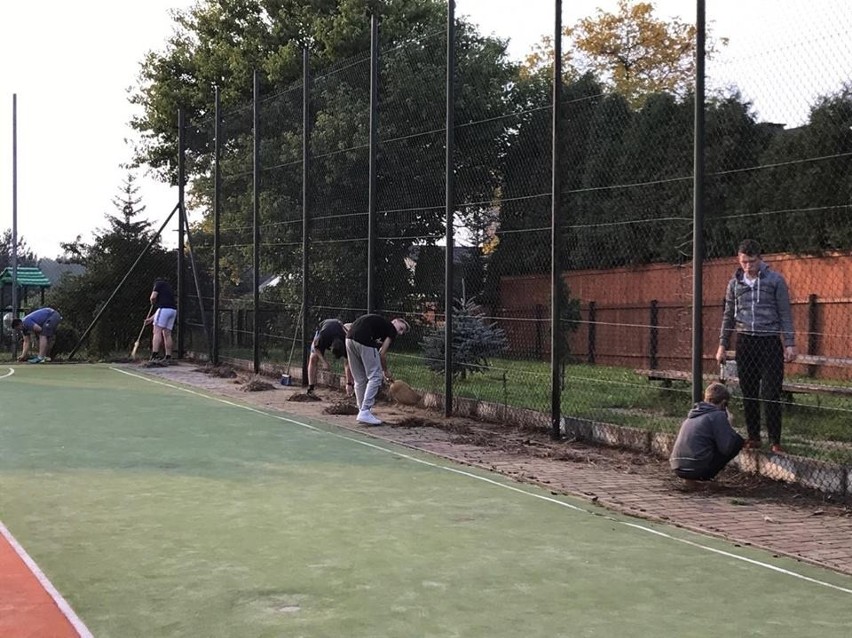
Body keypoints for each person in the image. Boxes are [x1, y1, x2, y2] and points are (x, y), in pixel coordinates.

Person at [716, 239, 796, 453]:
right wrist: (722, 344)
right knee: (748, 391)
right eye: (744, 262)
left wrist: (789, 343)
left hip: (770, 341)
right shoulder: (734, 283)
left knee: (771, 392)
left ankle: (775, 440)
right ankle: (753, 437)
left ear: (760, 259)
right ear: (738, 259)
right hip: (745, 341)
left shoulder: (776, 280)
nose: (748, 266)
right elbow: (728, 316)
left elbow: (785, 313)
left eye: (752, 262)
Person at [670, 382, 744, 485]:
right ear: (724, 403)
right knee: (737, 441)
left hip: (677, 467)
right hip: (697, 469)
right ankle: (705, 478)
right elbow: (726, 448)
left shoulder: (693, 415)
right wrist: (729, 427)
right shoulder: (718, 415)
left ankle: (691, 479)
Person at [345, 314, 410, 425]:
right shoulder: (391, 328)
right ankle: (365, 411)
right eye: (401, 328)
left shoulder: (379, 324)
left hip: (349, 339)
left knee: (360, 379)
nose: (400, 333)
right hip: (364, 340)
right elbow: (382, 353)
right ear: (394, 321)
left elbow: (348, 325)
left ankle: (362, 411)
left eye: (402, 333)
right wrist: (385, 371)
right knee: (375, 377)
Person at [307, 318, 353, 396]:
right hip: (325, 327)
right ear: (330, 347)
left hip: (338, 327)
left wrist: (348, 383)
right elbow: (316, 347)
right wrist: (324, 362)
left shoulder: (346, 340)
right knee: (313, 358)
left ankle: (350, 387)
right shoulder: (323, 336)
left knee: (349, 360)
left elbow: (347, 363)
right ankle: (311, 388)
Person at [145, 278, 177, 362]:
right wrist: (151, 319)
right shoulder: (168, 289)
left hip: (164, 310)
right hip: (173, 311)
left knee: (156, 331)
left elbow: (153, 297)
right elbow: (161, 310)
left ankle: (154, 355)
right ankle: (168, 356)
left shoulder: (158, 284)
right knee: (167, 333)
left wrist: (153, 302)